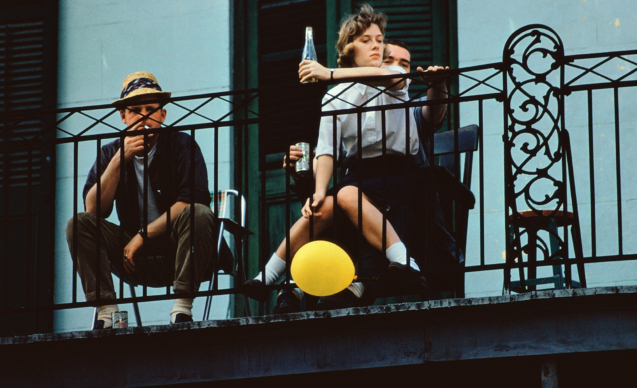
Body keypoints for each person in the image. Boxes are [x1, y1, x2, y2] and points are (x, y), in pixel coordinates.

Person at [244, 5, 450, 311]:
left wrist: (327, 73)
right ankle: (267, 277)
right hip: (359, 177)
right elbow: (326, 150)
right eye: (367, 40)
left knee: (347, 194)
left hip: (398, 175)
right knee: (321, 207)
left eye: (380, 39)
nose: (377, 46)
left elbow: (389, 79)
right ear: (348, 47)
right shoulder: (334, 95)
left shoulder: (392, 74)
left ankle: (405, 262)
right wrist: (316, 192)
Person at [66, 71, 221, 329]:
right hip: (131, 258)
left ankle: (182, 310)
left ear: (163, 114)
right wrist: (119, 160)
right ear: (123, 117)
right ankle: (107, 313)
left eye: (151, 109)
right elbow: (93, 210)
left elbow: (191, 201)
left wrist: (142, 235)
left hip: (176, 247)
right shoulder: (110, 153)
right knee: (78, 224)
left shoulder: (181, 144)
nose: (144, 116)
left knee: (200, 213)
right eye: (136, 110)